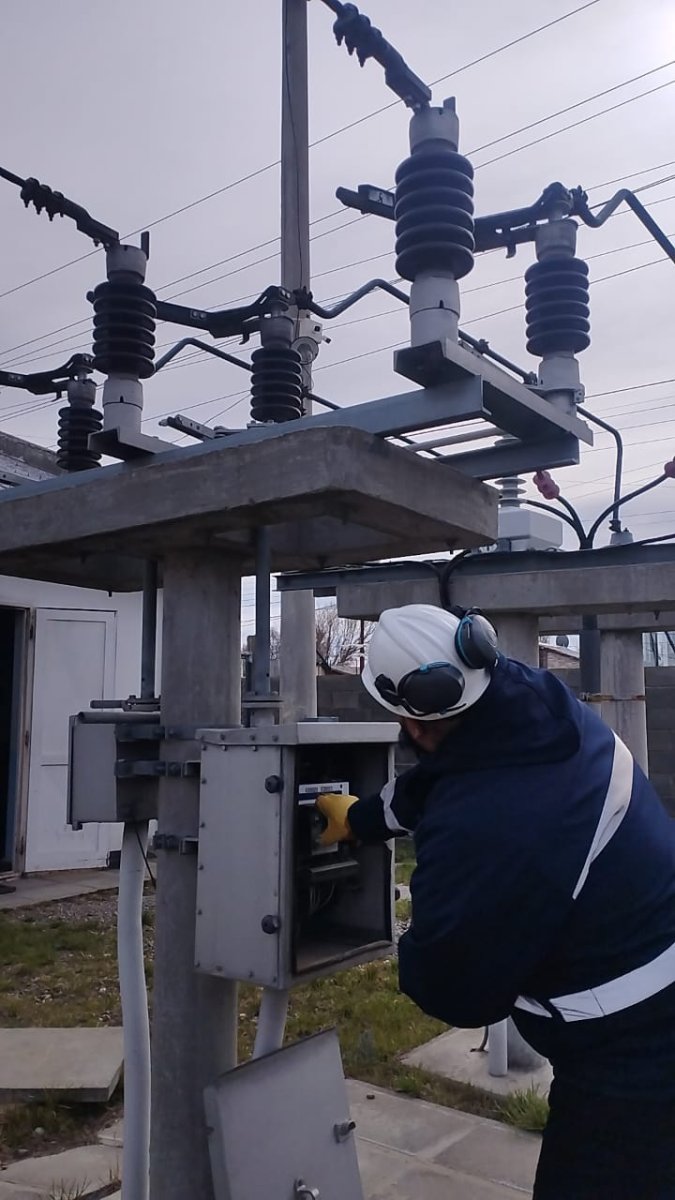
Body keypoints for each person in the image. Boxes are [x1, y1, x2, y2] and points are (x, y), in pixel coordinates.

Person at [317, 603, 675, 1200]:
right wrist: (362, 819)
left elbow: (453, 988)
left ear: (411, 724)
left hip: (634, 1055)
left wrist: (415, 937)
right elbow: (443, 778)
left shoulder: (486, 825)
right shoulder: (540, 710)